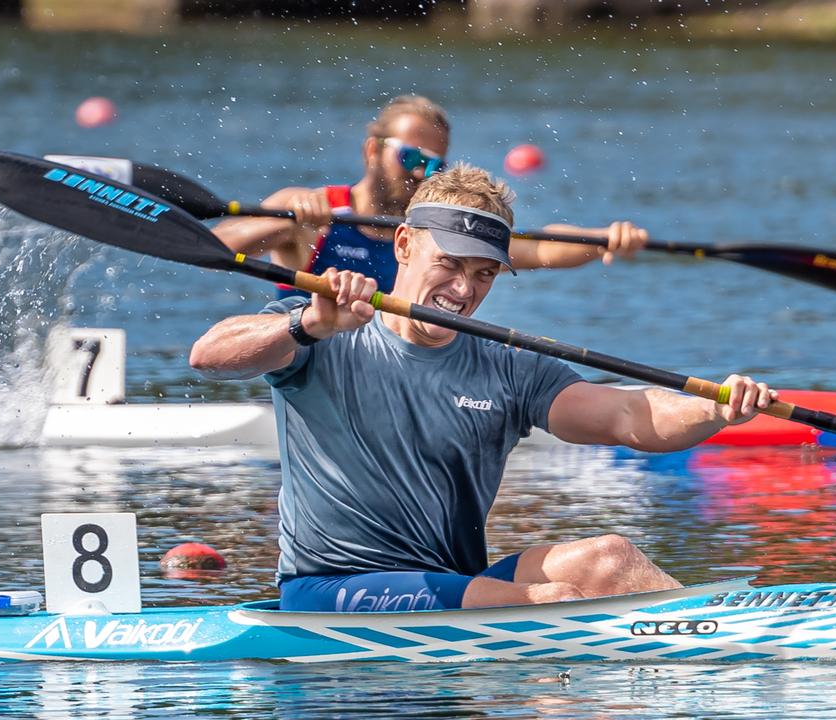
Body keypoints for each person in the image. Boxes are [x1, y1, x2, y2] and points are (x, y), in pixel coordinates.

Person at [190, 164, 776, 612]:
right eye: (451, 264)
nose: (464, 290)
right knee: (554, 607)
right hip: (332, 589)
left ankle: (734, 638)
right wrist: (309, 324)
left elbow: (624, 414)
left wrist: (711, 409)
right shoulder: (328, 327)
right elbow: (209, 355)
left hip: (455, 587)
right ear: (404, 246)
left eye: (484, 273)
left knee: (610, 559)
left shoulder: (508, 366)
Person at [212, 95, 650, 298]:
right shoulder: (310, 207)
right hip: (310, 373)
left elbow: (536, 246)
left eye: (434, 164)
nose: (419, 172)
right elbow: (213, 249)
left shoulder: (437, 228)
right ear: (371, 149)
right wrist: (286, 221)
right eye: (409, 156)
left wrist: (602, 238)